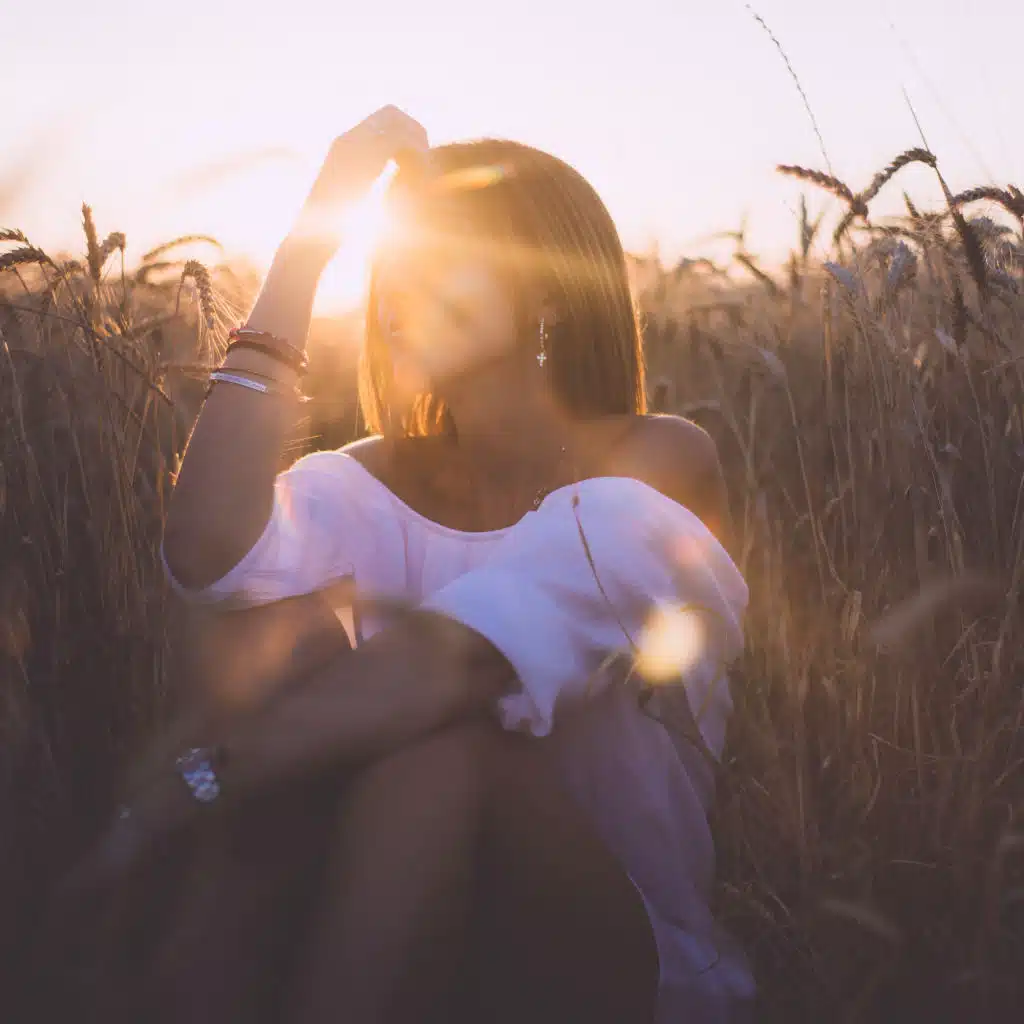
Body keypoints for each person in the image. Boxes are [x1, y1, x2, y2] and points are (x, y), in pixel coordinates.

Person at [136, 106, 754, 1023]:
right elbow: (207, 555)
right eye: (398, 261)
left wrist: (198, 781)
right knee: (295, 642)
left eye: (443, 261)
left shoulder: (654, 464)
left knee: (445, 758)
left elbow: (454, 660)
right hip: (387, 932)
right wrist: (312, 238)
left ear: (543, 291)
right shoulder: (363, 484)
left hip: (608, 952)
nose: (401, 291)